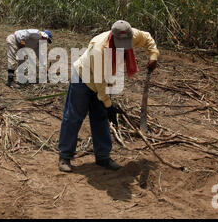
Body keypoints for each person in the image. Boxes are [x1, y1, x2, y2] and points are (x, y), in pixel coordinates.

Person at [58, 20, 159, 172]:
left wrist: (153, 55)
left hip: (105, 79)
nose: (125, 46)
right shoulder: (99, 48)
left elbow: (147, 38)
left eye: (128, 42)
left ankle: (103, 157)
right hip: (84, 78)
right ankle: (65, 156)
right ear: (113, 38)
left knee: (101, 118)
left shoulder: (133, 35)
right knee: (73, 117)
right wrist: (109, 106)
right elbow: (100, 85)